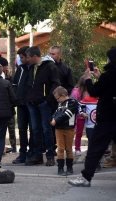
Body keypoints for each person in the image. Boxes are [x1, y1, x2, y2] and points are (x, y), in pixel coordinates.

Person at [68, 47, 116, 187]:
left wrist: (89, 79)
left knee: (95, 148)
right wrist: (99, 77)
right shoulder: (107, 77)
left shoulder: (108, 76)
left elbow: (95, 91)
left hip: (106, 117)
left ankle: (85, 177)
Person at [25, 46, 60, 166]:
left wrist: (48, 100)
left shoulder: (50, 66)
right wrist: (28, 98)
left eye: (29, 57)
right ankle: (37, 155)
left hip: (44, 103)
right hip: (32, 103)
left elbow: (56, 83)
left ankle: (50, 155)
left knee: (46, 129)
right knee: (35, 130)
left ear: (35, 56)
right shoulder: (31, 67)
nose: (27, 60)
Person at [49, 45, 74, 155]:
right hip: (49, 100)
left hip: (62, 102)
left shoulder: (65, 69)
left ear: (60, 55)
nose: (51, 56)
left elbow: (70, 85)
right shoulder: (46, 67)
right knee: (49, 124)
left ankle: (60, 147)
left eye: (53, 54)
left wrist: (63, 97)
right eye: (50, 53)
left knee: (60, 123)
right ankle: (50, 147)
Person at [12, 46, 34, 164]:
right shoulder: (20, 69)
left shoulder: (35, 68)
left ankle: (32, 152)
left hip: (32, 103)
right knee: (21, 129)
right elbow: (15, 83)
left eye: (22, 57)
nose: (20, 60)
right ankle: (22, 153)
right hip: (20, 103)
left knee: (33, 129)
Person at [51, 86, 78, 176]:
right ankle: (60, 168)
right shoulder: (59, 104)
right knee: (60, 149)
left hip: (69, 129)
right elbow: (56, 112)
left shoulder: (72, 102)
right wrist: (53, 118)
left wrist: (56, 120)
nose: (57, 100)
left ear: (63, 95)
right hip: (59, 129)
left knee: (69, 149)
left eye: (57, 98)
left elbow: (67, 114)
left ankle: (70, 167)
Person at [0, 56, 16, 153]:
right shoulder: (0, 79)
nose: (7, 68)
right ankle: (2, 148)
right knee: (2, 131)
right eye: (5, 66)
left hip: (9, 108)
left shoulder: (9, 77)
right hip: (4, 108)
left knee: (11, 129)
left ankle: (13, 148)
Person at [71, 75, 88, 156]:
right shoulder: (76, 92)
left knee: (86, 132)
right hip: (78, 116)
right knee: (78, 132)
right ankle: (77, 148)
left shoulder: (87, 92)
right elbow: (74, 105)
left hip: (87, 115)